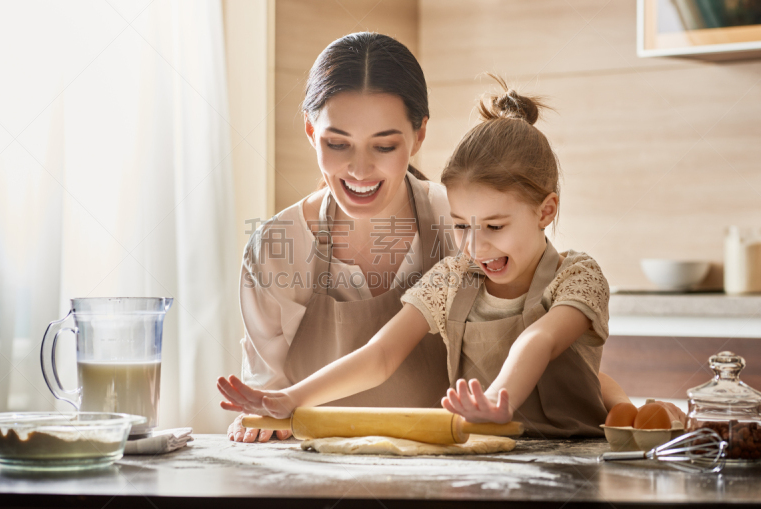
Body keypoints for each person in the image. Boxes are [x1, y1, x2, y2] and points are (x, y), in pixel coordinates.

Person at [219, 75, 685, 437]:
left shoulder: (578, 277)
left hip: (573, 458)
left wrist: (498, 399)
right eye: (461, 225)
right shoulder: (454, 276)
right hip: (483, 455)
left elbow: (538, 341)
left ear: (546, 211)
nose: (476, 247)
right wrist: (290, 399)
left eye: (496, 227)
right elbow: (381, 354)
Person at [231, 32, 457, 442]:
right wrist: (260, 418)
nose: (359, 169)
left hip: (445, 478)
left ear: (419, 135)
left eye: (384, 146)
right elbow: (270, 396)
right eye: (338, 143)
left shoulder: (457, 223)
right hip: (315, 478)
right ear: (310, 131)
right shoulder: (277, 248)